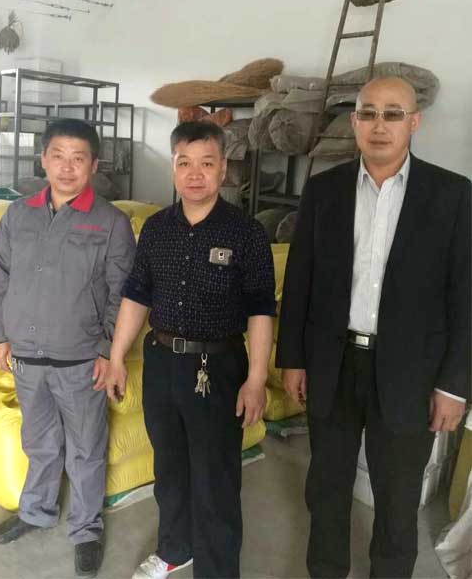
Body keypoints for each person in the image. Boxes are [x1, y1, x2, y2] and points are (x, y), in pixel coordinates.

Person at [277, 76, 471, 579]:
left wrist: (454, 386)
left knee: (397, 497)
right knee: (326, 487)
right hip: (333, 364)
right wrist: (293, 358)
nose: (379, 125)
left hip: (410, 373)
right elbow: (300, 280)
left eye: (392, 113)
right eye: (368, 113)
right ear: (355, 121)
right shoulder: (324, 190)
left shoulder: (452, 195)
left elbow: (466, 298)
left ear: (414, 122)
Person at [104, 121, 276, 579]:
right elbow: (137, 294)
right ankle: (175, 549)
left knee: (216, 477)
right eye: (184, 163)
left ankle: (217, 570)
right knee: (170, 467)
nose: (194, 174)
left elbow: (261, 310)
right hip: (162, 363)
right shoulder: (156, 228)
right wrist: (117, 357)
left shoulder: (246, 233)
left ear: (223, 169)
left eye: (206, 163)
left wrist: (256, 379)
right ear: (173, 169)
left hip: (217, 367)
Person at [0, 118, 136, 579]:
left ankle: (85, 530)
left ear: (94, 165)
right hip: (26, 355)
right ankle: (36, 511)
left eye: (78, 158)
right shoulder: (18, 214)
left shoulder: (110, 222)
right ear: (43, 160)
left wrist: (108, 351)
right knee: (39, 440)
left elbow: (123, 293)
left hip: (81, 360)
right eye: (58, 156)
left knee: (86, 449)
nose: (67, 168)